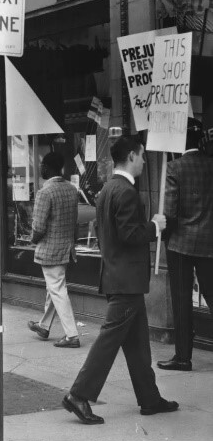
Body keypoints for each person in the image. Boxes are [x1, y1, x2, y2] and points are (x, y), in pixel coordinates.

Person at [63, 136, 178, 424]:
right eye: (141, 156)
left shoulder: (107, 189)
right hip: (126, 280)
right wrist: (154, 226)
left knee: (138, 345)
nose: (143, 161)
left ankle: (149, 398)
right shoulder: (126, 192)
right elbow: (130, 235)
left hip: (119, 276)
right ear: (130, 156)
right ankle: (79, 394)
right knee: (109, 340)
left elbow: (109, 235)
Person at [157, 119, 213, 372]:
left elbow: (169, 210)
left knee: (181, 301)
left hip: (180, 243)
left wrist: (165, 237)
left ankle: (183, 357)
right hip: (209, 242)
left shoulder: (174, 167)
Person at [27, 151, 80, 348]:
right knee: (54, 288)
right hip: (66, 248)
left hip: (50, 249)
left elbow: (38, 227)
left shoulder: (45, 192)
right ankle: (44, 325)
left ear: (48, 168)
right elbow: (75, 222)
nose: (40, 168)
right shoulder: (71, 189)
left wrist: (32, 239)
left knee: (57, 290)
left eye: (42, 165)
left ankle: (72, 335)